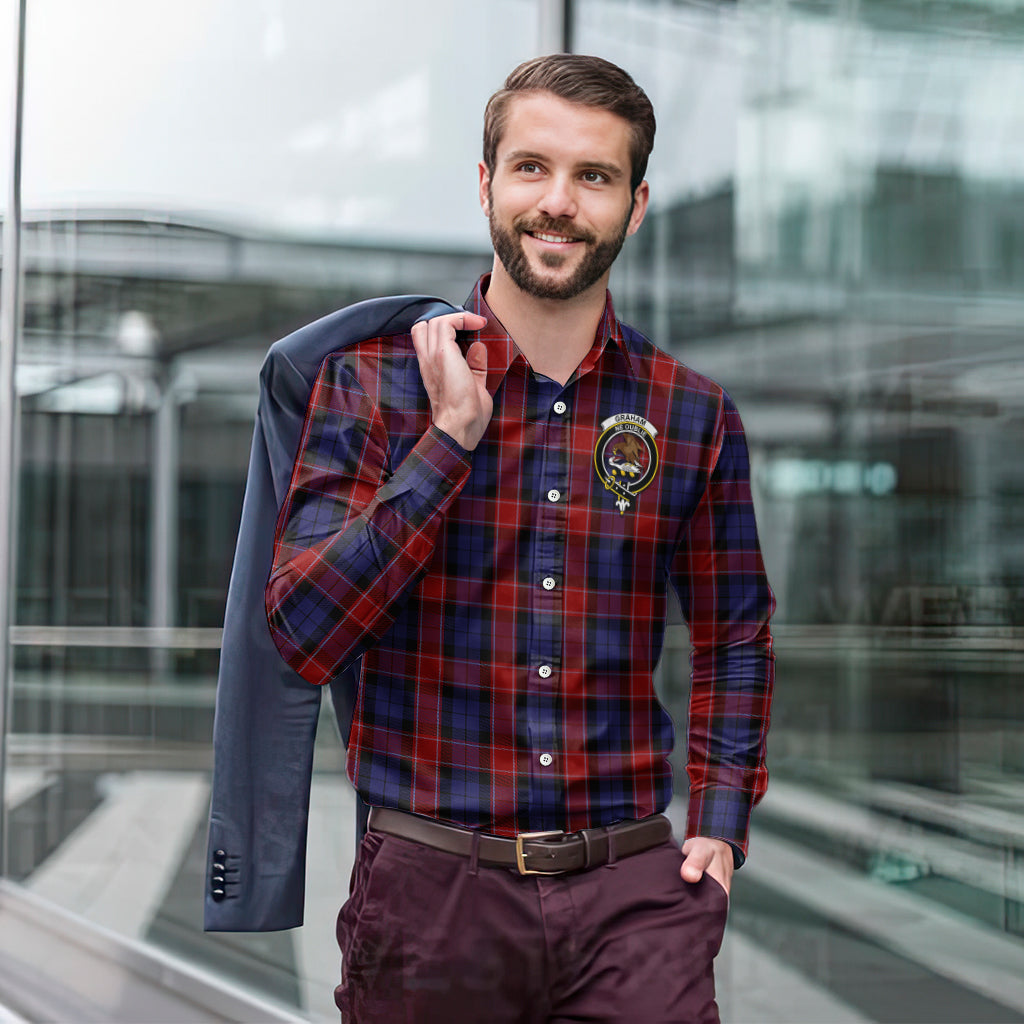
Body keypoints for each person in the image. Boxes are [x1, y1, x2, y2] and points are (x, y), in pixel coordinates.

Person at [265, 53, 775, 1024]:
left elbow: (735, 634)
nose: (559, 201)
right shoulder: (372, 386)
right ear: (486, 182)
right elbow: (301, 632)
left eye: (595, 176)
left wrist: (717, 823)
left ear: (636, 203)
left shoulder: (692, 414)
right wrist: (448, 441)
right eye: (532, 167)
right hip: (432, 898)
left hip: (634, 897)